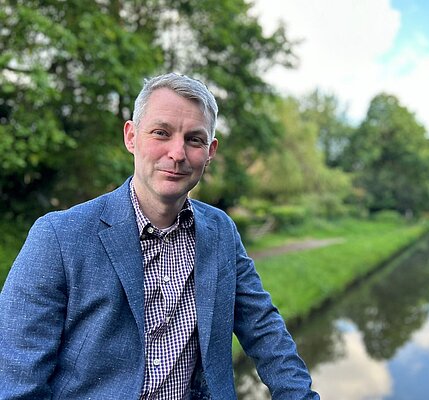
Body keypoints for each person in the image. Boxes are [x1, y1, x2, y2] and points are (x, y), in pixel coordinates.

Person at [0, 73, 319, 399]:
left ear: (210, 152)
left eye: (194, 139)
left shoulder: (221, 232)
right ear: (131, 137)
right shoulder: (57, 237)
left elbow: (265, 331)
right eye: (161, 133)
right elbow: (18, 382)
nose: (177, 153)